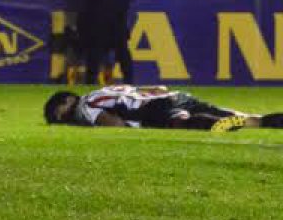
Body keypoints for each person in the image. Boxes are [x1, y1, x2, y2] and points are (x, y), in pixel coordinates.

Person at [44, 84, 283, 132]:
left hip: (153, 109)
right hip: (172, 96)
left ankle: (225, 124)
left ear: (67, 100)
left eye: (60, 114)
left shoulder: (85, 105)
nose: (64, 119)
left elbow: (114, 124)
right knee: (242, 116)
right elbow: (155, 88)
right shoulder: (103, 90)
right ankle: (264, 121)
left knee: (181, 123)